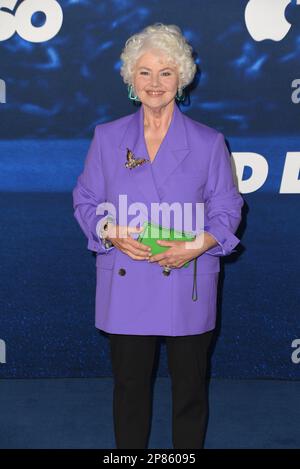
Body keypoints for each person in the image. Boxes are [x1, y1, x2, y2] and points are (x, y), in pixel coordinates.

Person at [72, 23, 244, 449]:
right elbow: (85, 201)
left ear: (182, 78)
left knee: (189, 391)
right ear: (131, 77)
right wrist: (108, 230)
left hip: (188, 280)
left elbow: (227, 208)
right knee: (130, 392)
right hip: (128, 278)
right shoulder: (107, 137)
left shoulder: (208, 142)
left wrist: (199, 244)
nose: (155, 83)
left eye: (166, 72)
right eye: (145, 72)